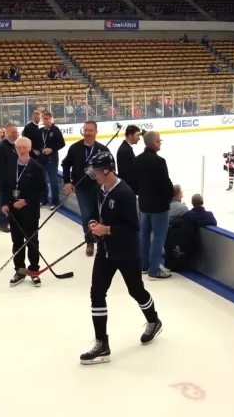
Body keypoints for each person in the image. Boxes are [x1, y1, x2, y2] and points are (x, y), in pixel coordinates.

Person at [80, 151, 163, 365]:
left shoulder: (125, 193)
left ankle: (154, 321)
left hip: (126, 253)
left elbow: (133, 228)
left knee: (136, 290)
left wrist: (106, 229)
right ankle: (102, 343)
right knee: (96, 293)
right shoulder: (101, 189)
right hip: (105, 252)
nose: (94, 174)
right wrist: (93, 224)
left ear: (107, 170)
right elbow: (98, 214)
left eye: (96, 170)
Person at [1, 136, 46, 287]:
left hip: (30, 212)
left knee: (32, 242)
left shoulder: (36, 168)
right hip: (14, 212)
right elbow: (5, 187)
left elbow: (42, 191)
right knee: (17, 241)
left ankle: (33, 271)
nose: (21, 150)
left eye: (24, 147)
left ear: (29, 148)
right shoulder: (10, 166)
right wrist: (4, 204)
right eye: (18, 147)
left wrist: (26, 201)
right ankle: (20, 270)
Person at [61, 121, 109, 257]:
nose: (87, 133)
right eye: (85, 130)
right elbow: (65, 164)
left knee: (100, 214)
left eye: (90, 131)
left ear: (96, 132)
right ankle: (89, 241)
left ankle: (100, 241)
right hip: (81, 188)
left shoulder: (102, 149)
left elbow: (110, 169)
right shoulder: (75, 148)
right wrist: (66, 182)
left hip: (99, 188)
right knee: (87, 214)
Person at [136, 131, 174, 280]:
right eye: (159, 141)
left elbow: (136, 181)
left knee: (144, 235)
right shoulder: (159, 161)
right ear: (153, 143)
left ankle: (144, 266)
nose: (160, 143)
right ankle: (154, 270)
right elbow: (165, 183)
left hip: (144, 203)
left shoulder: (138, 160)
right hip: (159, 206)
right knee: (159, 237)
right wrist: (169, 195)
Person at [0, 124, 19, 233]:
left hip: (12, 179)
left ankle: (9, 220)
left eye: (16, 132)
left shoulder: (14, 145)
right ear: (7, 133)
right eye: (12, 132)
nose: (15, 134)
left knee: (11, 200)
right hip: (5, 180)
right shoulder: (2, 147)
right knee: (3, 200)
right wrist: (1, 181)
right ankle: (2, 222)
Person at [40, 112, 65, 210]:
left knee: (53, 181)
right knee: (42, 181)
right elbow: (37, 142)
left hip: (52, 160)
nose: (46, 120)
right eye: (44, 119)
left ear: (51, 119)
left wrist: (52, 149)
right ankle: (44, 200)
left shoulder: (55, 130)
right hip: (41, 159)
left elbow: (62, 144)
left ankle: (56, 202)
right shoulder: (41, 131)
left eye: (47, 119)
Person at [116, 125, 141, 194]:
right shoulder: (125, 150)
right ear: (130, 135)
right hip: (129, 188)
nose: (139, 138)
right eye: (137, 135)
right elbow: (127, 173)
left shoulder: (126, 148)